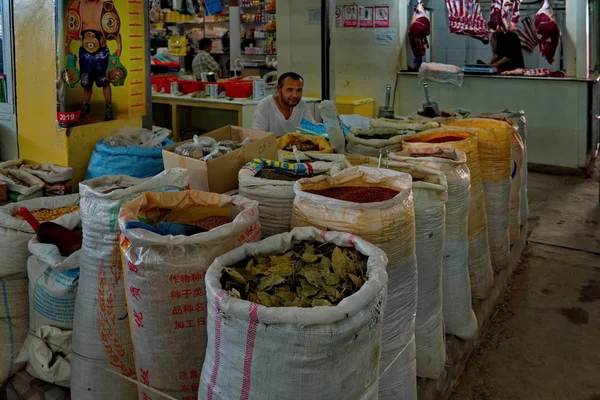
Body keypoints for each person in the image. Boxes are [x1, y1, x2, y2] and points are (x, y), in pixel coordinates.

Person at [65, 0, 123, 121]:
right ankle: (86, 108)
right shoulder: (77, 5)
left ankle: (108, 108)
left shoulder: (105, 5)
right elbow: (71, 28)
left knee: (105, 81)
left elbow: (114, 28)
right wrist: (67, 46)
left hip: (102, 53)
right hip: (85, 53)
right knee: (86, 82)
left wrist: (119, 47)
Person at [252, 72, 315, 136]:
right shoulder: (265, 106)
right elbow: (258, 137)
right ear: (279, 89)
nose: (295, 95)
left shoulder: (302, 105)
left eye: (299, 90)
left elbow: (313, 132)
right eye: (290, 90)